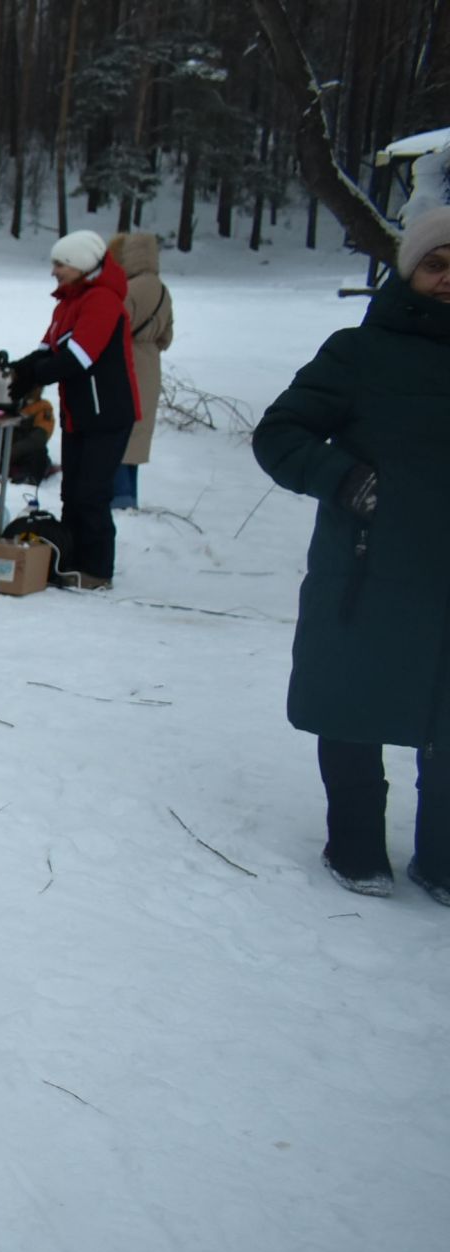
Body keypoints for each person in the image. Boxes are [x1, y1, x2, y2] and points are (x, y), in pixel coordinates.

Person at [251, 206, 450, 905]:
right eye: (436, 263)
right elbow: (280, 433)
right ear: (409, 271)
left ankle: (443, 858)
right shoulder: (358, 352)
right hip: (369, 570)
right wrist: (345, 479)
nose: (448, 279)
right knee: (353, 707)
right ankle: (358, 845)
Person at [5, 231, 138, 590]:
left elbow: (79, 358)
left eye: (60, 264)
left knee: (91, 493)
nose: (54, 272)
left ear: (80, 264)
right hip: (79, 414)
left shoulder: (103, 301)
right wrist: (19, 370)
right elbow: (47, 351)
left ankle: (97, 569)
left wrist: (36, 373)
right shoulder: (67, 303)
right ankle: (72, 558)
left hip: (107, 414)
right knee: (71, 492)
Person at [107, 230, 173, 510]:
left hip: (127, 362)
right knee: (137, 436)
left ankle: (119, 499)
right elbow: (166, 337)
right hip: (151, 365)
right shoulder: (162, 290)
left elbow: (115, 325)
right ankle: (130, 495)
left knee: (118, 434)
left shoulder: (131, 289)